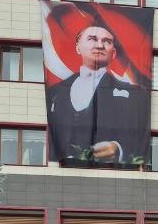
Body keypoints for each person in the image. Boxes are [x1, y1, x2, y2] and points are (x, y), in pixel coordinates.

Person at [45, 24, 150, 167]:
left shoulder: (135, 95)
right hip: (62, 173)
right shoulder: (55, 92)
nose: (100, 45)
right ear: (78, 47)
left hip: (107, 173)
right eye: (92, 39)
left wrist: (117, 148)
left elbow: (140, 135)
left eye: (107, 41)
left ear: (113, 53)